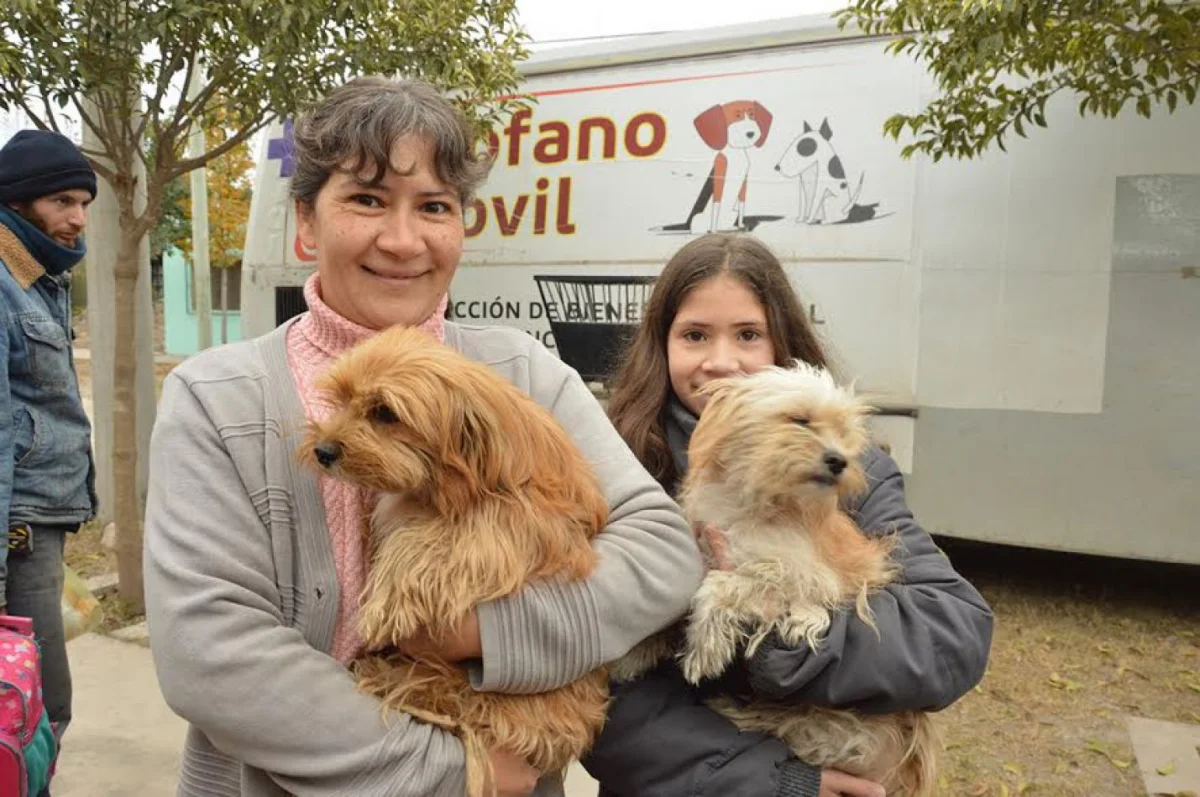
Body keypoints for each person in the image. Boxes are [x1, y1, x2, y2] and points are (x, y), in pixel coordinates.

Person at [142, 76, 702, 797]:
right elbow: (209, 651)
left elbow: (661, 554)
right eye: (367, 199)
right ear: (306, 222)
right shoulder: (216, 397)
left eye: (434, 207)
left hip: (507, 748)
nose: (403, 241)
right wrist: (453, 771)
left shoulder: (523, 373)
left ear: (461, 227)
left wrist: (480, 632)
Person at [583, 233, 994, 797]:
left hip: (828, 744)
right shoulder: (615, 463)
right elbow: (600, 682)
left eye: (748, 335)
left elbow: (953, 632)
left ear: (783, 343)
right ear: (662, 344)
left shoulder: (849, 471)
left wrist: (778, 640)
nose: (722, 363)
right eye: (695, 335)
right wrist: (777, 783)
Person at [0, 129, 98, 759]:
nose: (78, 219)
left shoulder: (36, 278)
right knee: (34, 708)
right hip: (18, 529)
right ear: (18, 201)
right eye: (63, 201)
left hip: (40, 521)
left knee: (32, 704)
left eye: (83, 203)